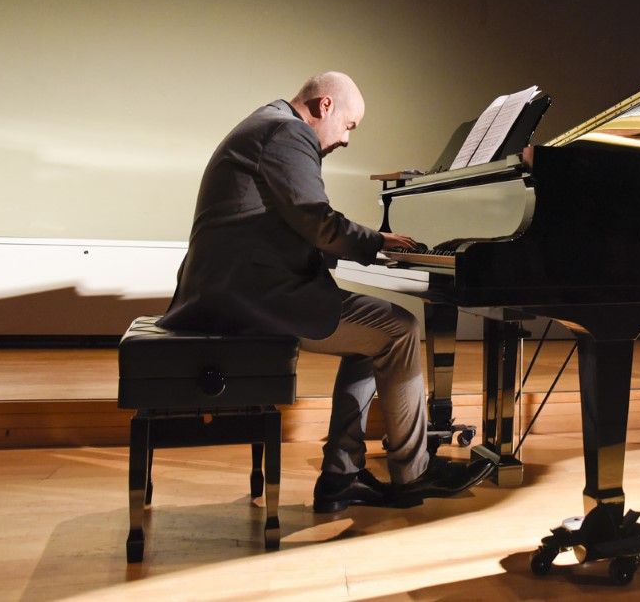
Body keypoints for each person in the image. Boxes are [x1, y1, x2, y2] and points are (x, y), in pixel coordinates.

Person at [160, 71, 492, 512]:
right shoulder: (288, 132)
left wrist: (363, 245)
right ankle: (413, 473)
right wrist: (376, 241)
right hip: (251, 296)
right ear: (325, 105)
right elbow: (316, 221)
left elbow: (293, 225)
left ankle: (341, 475)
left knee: (370, 340)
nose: (347, 139)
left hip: (233, 289)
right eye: (349, 125)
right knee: (401, 328)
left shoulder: (268, 124)